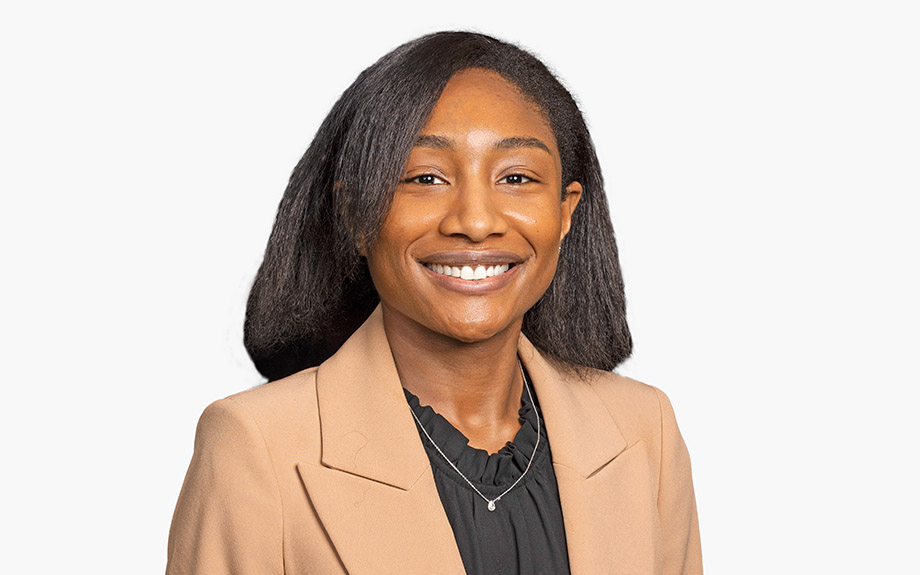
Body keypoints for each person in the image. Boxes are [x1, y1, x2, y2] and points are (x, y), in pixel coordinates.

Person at [167, 31, 702, 574]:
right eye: (426, 177)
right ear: (355, 213)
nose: (475, 221)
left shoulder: (645, 432)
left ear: (565, 212)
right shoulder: (255, 447)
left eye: (516, 177)